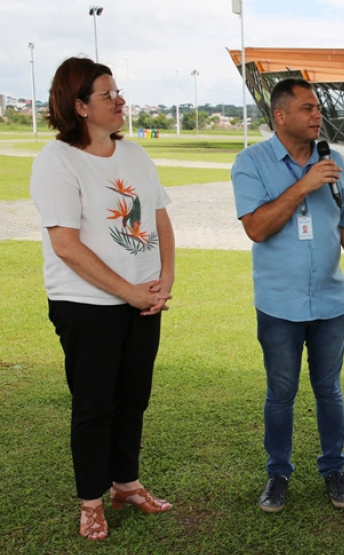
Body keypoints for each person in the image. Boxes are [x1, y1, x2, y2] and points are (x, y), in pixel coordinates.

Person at [29, 56, 175, 541]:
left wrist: (164, 280)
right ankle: (91, 501)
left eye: (118, 92)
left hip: (142, 300)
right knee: (94, 405)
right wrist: (129, 291)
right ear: (79, 106)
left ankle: (126, 484)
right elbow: (66, 244)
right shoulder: (57, 160)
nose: (120, 101)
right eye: (108, 95)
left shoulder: (134, 154)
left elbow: (160, 220)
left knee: (133, 398)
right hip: (86, 305)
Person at [231, 78, 344, 514]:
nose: (318, 115)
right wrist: (303, 185)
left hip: (330, 302)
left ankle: (334, 469)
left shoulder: (332, 160)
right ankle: (278, 475)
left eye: (318, 108)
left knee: (329, 390)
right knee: (280, 392)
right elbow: (256, 228)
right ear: (280, 116)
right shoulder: (250, 163)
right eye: (307, 108)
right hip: (280, 304)